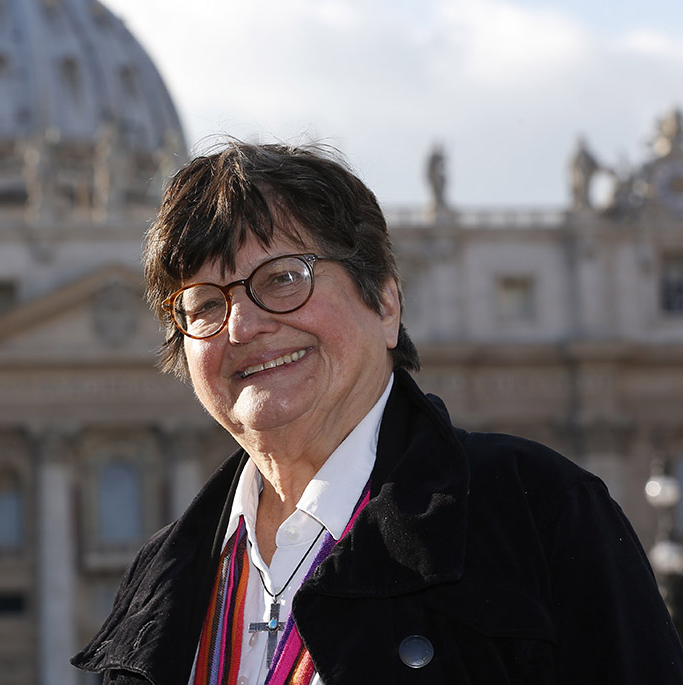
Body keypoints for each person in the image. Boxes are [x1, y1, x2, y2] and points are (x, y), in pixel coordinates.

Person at [72, 141, 683, 683]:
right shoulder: (160, 576)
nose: (244, 325)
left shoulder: (540, 515)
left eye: (284, 278)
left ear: (386, 302)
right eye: (204, 303)